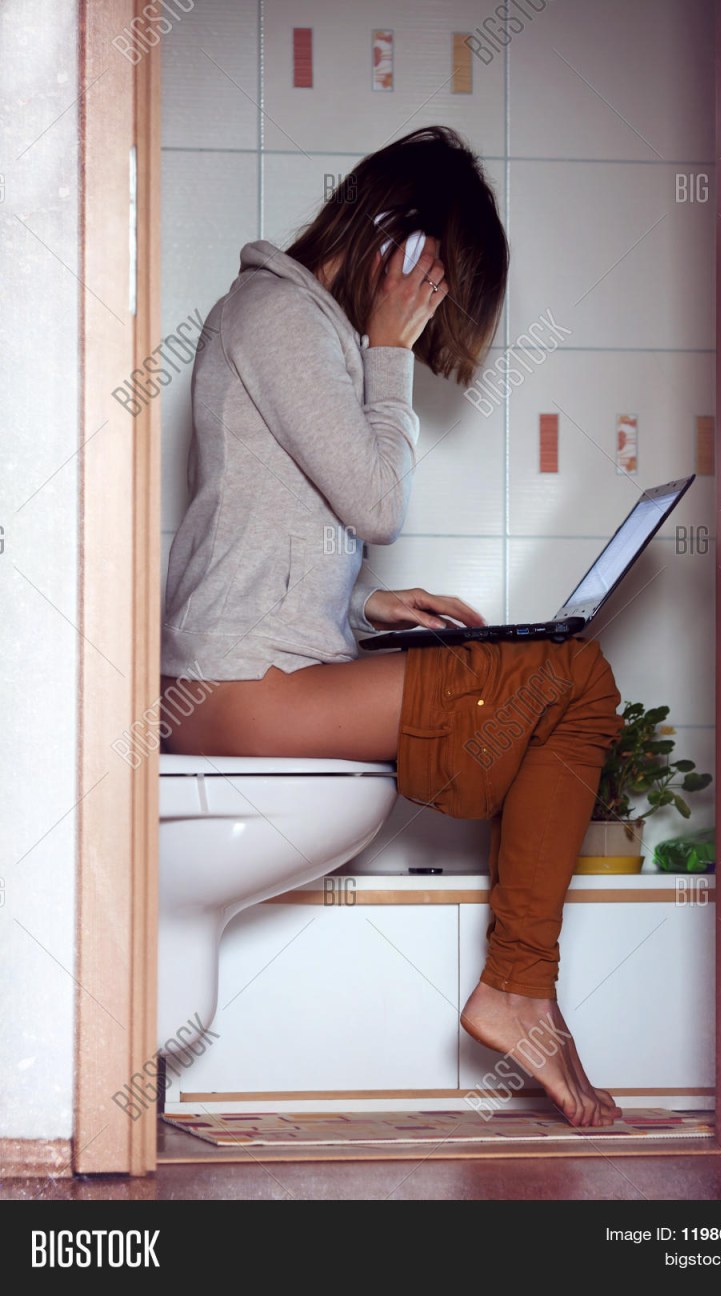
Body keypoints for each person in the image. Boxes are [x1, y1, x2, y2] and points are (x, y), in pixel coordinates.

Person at [160, 126, 624, 1128]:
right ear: (399, 242)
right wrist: (385, 356)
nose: (429, 304)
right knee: (573, 683)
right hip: (238, 689)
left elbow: (254, 511)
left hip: (247, 670)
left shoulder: (285, 321)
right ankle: (517, 990)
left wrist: (364, 607)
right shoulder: (282, 315)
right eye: (435, 277)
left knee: (562, 678)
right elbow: (375, 505)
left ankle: (518, 987)